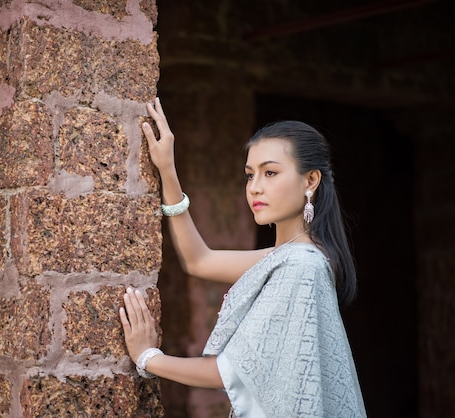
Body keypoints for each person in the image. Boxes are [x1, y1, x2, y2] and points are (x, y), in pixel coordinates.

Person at [119, 98, 366, 417]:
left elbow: (231, 371)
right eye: (250, 175)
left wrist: (147, 357)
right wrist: (167, 169)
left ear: (310, 180)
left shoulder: (300, 264)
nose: (255, 188)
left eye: (271, 173)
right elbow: (199, 261)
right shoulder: (291, 257)